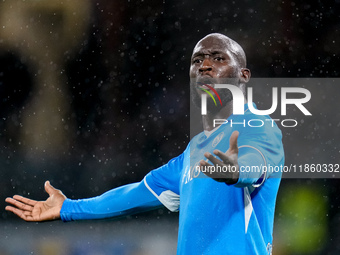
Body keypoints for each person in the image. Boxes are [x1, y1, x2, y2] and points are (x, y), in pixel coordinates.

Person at [5, 33, 284, 255]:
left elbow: (256, 162)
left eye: (217, 58)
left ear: (243, 76)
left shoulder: (258, 126)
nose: (205, 65)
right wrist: (69, 208)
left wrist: (236, 172)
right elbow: (137, 193)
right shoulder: (196, 149)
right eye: (197, 60)